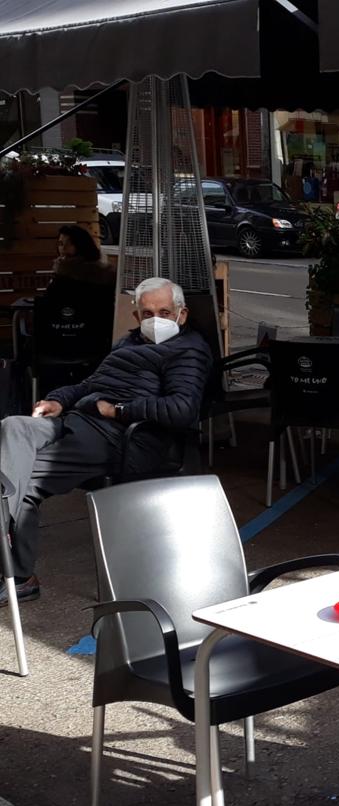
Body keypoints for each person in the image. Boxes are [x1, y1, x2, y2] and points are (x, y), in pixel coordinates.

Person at [0, 277, 212, 602]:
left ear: (181, 315)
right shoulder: (128, 344)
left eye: (165, 312)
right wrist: (56, 400)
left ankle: (20, 576)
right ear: (137, 316)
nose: (156, 320)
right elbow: (89, 384)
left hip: (119, 437)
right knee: (12, 427)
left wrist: (120, 410)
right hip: (78, 420)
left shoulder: (188, 350)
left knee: (21, 483)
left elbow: (183, 408)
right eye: (148, 313)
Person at [46, 225, 116, 299]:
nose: (63, 248)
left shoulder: (65, 275)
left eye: (70, 243)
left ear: (82, 244)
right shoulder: (105, 272)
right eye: (61, 244)